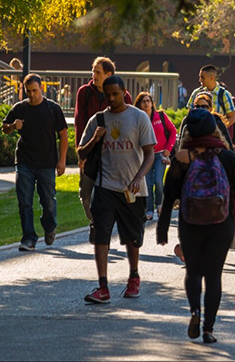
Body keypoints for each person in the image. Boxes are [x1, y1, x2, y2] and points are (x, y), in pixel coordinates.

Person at [157, 109, 235, 344]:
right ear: (214, 129)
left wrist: (162, 228)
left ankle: (195, 312)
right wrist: (228, 204)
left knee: (194, 272)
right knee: (214, 276)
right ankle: (208, 329)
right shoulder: (226, 157)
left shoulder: (182, 158)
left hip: (191, 223)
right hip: (222, 223)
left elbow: (169, 196)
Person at [77, 76, 157, 304]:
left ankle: (133, 276)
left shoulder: (138, 117)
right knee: (101, 236)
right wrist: (95, 138)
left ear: (124, 92)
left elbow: (150, 153)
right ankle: (103, 287)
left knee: (133, 238)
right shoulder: (98, 120)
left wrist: (139, 177)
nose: (111, 99)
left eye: (115, 94)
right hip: (105, 187)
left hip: (133, 190)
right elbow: (82, 153)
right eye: (107, 95)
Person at [2, 73, 69, 251]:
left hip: (47, 162)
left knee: (48, 201)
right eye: (28, 91)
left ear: (42, 88)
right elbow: (5, 127)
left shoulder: (52, 109)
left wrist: (62, 161)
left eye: (35, 90)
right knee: (24, 201)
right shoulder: (20, 108)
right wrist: (12, 126)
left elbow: (63, 133)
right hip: (25, 161)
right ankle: (29, 238)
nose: (32, 94)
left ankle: (49, 226)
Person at [74, 57, 132, 239]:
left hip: (114, 153)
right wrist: (81, 153)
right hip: (90, 151)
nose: (94, 75)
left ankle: (105, 223)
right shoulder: (84, 92)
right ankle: (94, 221)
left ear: (109, 74)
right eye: (93, 71)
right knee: (85, 192)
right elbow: (79, 123)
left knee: (113, 192)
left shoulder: (124, 95)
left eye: (98, 72)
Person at [134, 91, 177, 221]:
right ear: (139, 105)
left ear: (152, 103)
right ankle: (149, 210)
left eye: (149, 101)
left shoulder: (161, 116)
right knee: (147, 184)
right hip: (145, 156)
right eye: (144, 101)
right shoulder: (138, 118)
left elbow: (173, 131)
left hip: (160, 155)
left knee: (158, 181)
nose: (147, 103)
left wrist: (168, 149)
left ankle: (159, 204)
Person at [188, 65, 235, 138]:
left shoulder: (224, 94)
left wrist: (220, 128)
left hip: (218, 137)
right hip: (198, 136)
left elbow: (232, 117)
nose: (200, 80)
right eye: (200, 77)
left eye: (202, 77)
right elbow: (189, 113)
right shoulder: (196, 93)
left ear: (211, 78)